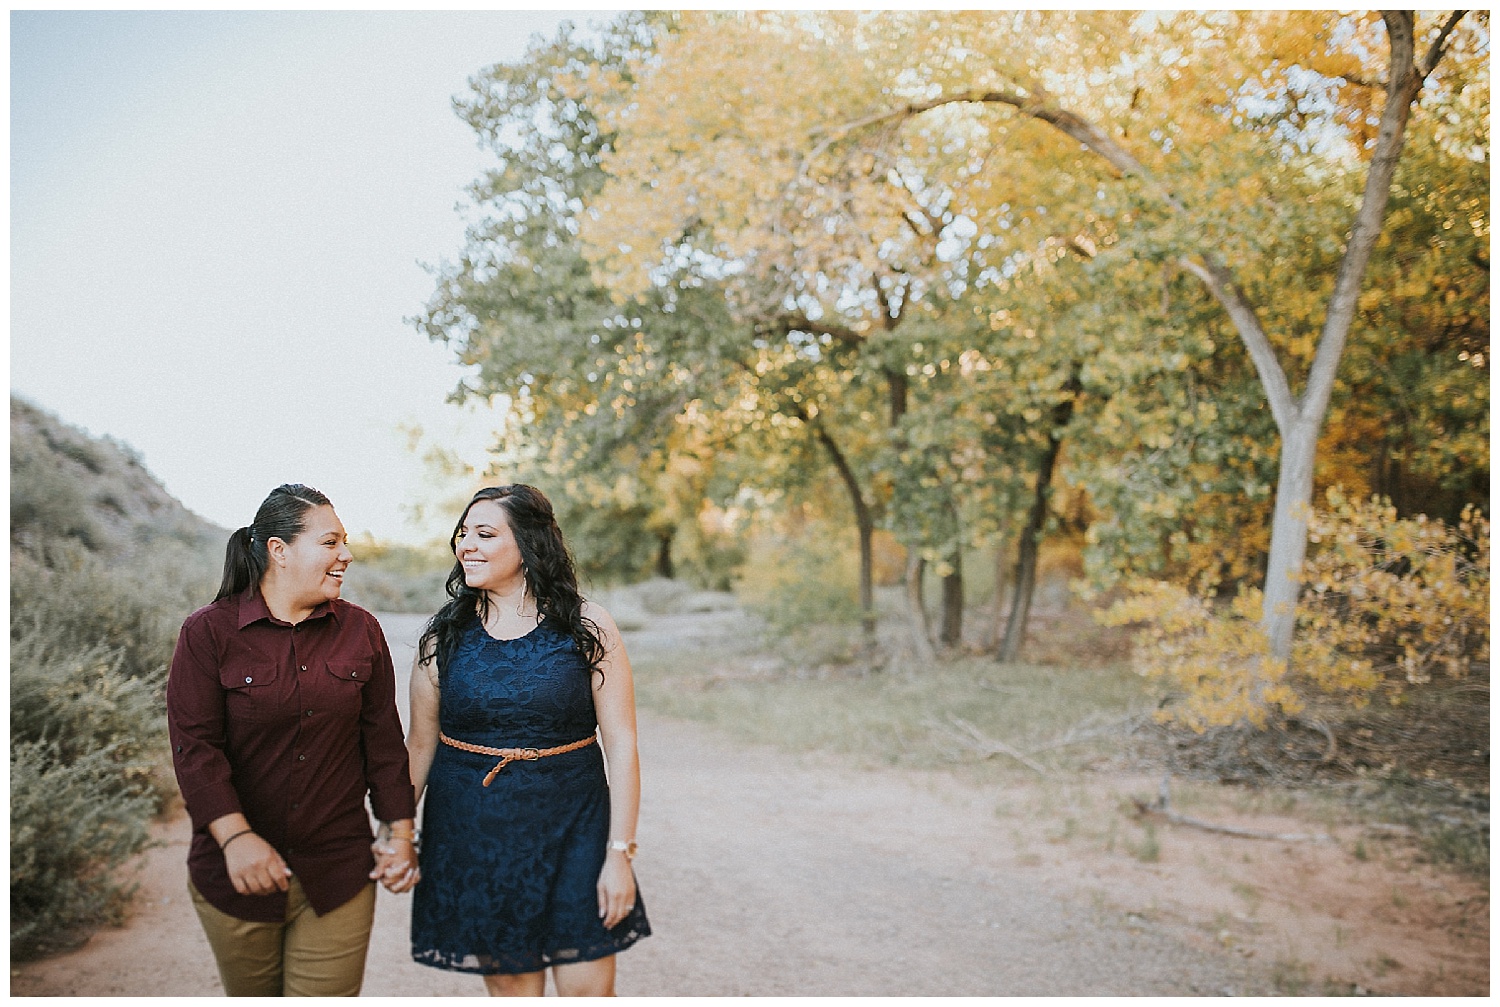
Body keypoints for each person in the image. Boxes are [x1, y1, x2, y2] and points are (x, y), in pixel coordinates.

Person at [166, 483, 419, 997]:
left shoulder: (362, 630)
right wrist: (236, 840)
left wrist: (400, 832)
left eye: (344, 542)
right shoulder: (208, 633)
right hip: (235, 876)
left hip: (339, 874)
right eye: (330, 543)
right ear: (278, 551)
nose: (345, 555)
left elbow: (383, 743)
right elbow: (195, 749)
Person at [407, 484, 651, 996]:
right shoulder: (441, 637)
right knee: (512, 986)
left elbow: (622, 744)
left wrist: (619, 854)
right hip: (475, 832)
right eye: (463, 533)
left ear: (529, 544)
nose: (465, 545)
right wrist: (396, 834)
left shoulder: (588, 625)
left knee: (589, 987)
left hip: (575, 825)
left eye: (485, 533)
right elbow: (421, 747)